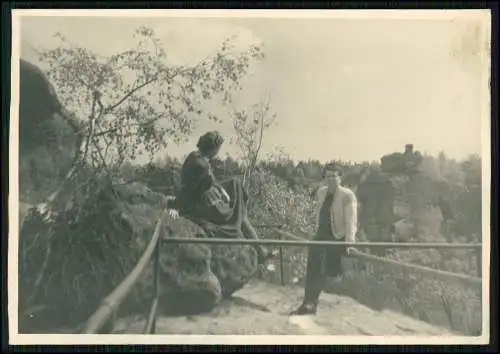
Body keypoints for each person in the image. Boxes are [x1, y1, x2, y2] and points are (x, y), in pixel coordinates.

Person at [166, 131, 274, 267]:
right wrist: (176, 207)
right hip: (201, 204)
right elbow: (187, 188)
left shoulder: (197, 156)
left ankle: (260, 250)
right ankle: (260, 250)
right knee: (240, 215)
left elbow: (211, 180)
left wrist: (221, 189)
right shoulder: (200, 164)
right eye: (218, 149)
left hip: (205, 195)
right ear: (213, 148)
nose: (218, 152)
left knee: (235, 183)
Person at [290, 164, 358, 315]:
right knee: (312, 267)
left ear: (340, 178)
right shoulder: (321, 192)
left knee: (322, 268)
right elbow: (317, 214)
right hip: (321, 235)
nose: (331, 179)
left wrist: (349, 242)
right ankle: (308, 303)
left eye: (334, 176)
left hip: (336, 236)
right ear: (324, 178)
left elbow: (351, 221)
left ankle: (311, 303)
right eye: (328, 176)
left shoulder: (347, 195)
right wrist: (311, 230)